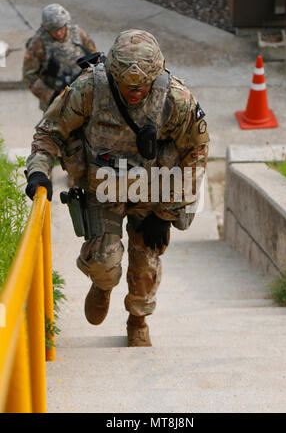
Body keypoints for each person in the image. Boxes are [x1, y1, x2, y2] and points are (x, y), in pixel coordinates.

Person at [25, 29, 209, 347]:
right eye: (126, 85)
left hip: (152, 192)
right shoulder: (89, 89)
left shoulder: (176, 99)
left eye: (142, 86)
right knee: (105, 261)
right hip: (102, 189)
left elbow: (197, 151)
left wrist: (166, 214)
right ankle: (103, 283)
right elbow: (50, 130)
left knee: (146, 261)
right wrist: (38, 172)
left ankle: (138, 321)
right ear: (112, 74)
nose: (134, 93)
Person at [23, 3, 98, 111]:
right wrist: (52, 96)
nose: (58, 33)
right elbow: (29, 76)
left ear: (66, 23)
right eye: (53, 30)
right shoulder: (38, 43)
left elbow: (95, 57)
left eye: (60, 28)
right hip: (56, 101)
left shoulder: (78, 34)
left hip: (83, 94)